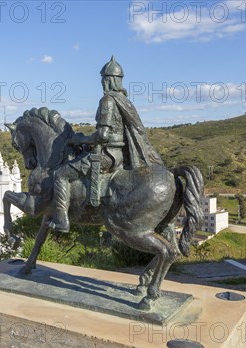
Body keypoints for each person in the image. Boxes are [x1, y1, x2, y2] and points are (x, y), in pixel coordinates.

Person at [48, 56, 163, 232]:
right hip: (119, 155)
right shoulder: (124, 100)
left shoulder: (108, 101)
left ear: (109, 80)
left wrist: (81, 139)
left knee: (61, 174)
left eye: (104, 79)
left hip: (106, 156)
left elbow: (102, 135)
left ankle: (62, 221)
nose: (103, 83)